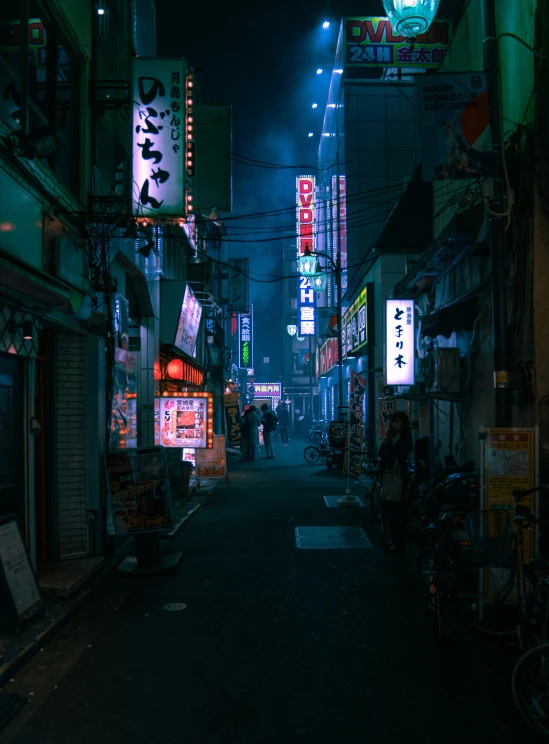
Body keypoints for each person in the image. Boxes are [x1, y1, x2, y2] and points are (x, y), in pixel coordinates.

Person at [378, 411, 413, 554]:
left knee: (398, 511)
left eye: (397, 421)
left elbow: (395, 453)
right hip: (388, 475)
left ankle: (399, 542)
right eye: (393, 421)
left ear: (403, 423)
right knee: (389, 509)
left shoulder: (406, 438)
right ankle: (394, 539)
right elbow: (381, 453)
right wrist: (387, 441)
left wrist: (388, 448)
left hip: (399, 477)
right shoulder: (391, 437)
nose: (394, 424)